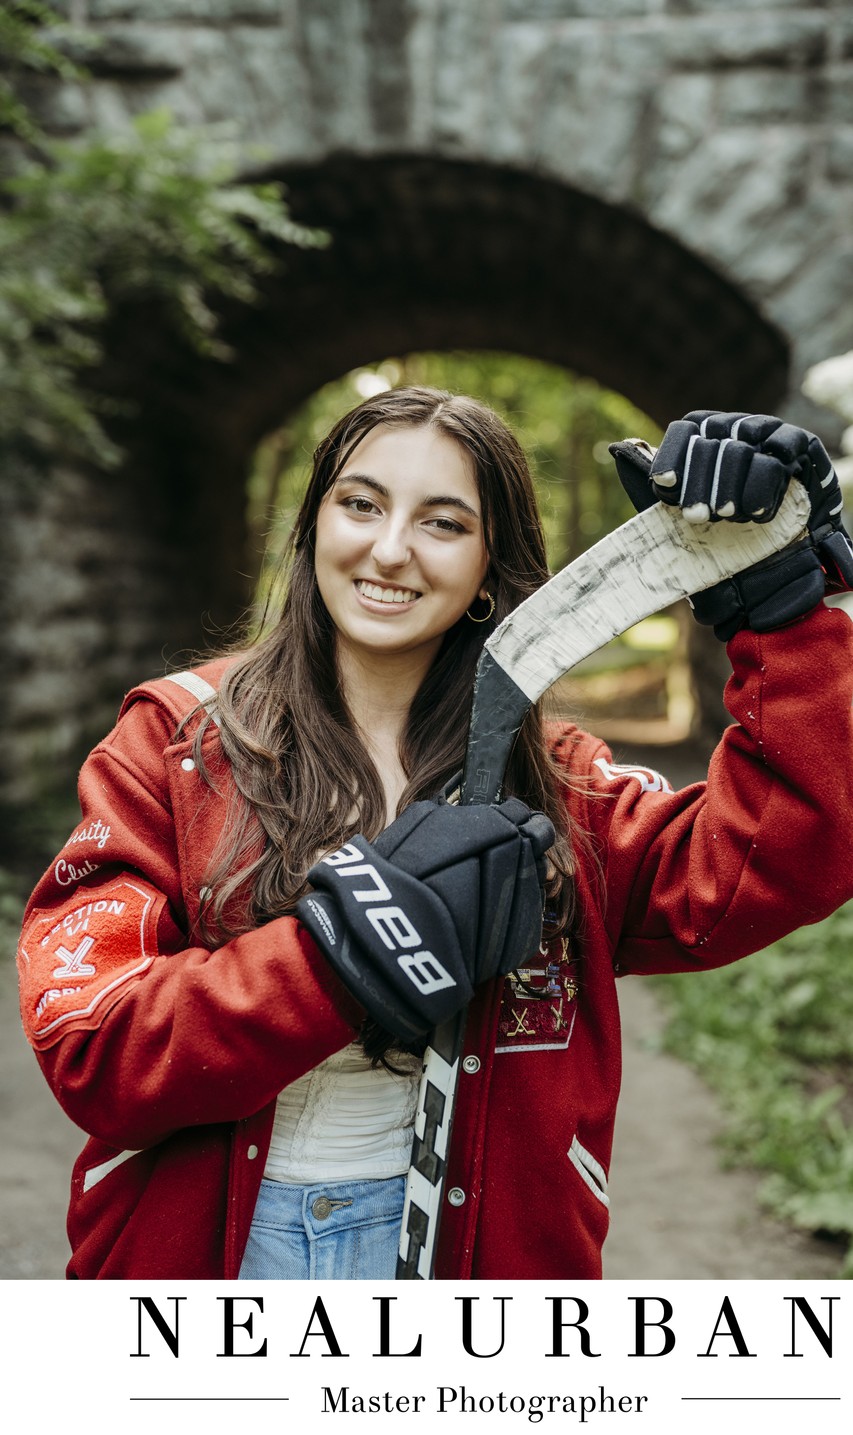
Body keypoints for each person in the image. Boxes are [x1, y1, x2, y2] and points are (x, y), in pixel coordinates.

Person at [16, 388, 853, 1281]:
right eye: (361, 503)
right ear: (311, 527)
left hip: (480, 1276)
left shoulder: (560, 787)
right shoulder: (174, 744)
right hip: (197, 1269)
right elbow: (92, 1042)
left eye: (443, 523)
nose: (388, 550)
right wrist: (340, 956)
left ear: (492, 567)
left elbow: (784, 850)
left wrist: (780, 612)